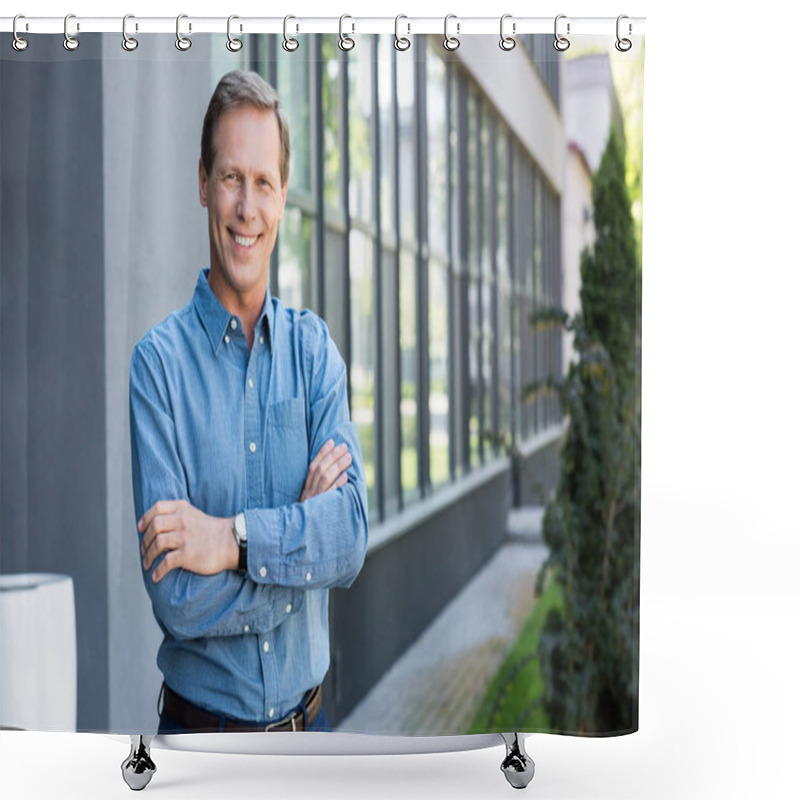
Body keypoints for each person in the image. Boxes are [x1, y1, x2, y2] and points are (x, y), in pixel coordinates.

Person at [129, 70, 368, 734]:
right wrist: (298, 541)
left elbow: (348, 536)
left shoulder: (314, 352)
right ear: (203, 182)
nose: (246, 207)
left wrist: (231, 540)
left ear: (283, 197)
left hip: (311, 736)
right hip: (204, 746)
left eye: (263, 183)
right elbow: (178, 599)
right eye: (232, 178)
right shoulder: (158, 369)